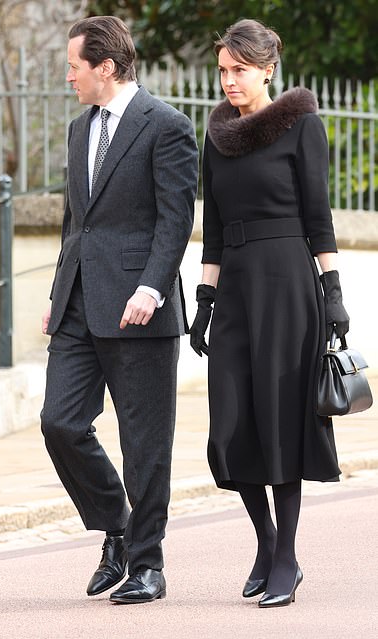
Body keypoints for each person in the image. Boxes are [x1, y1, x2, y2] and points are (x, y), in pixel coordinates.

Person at [190, 19, 350, 608]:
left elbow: (319, 215)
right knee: (232, 426)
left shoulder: (301, 122)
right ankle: (266, 540)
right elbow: (210, 226)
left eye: (239, 70)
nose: (229, 81)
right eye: (223, 71)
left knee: (281, 420)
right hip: (234, 288)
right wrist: (205, 299)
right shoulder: (217, 133)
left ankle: (286, 558)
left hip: (287, 285)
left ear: (266, 70)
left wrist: (332, 291)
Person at [40, 16, 198, 604]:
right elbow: (74, 222)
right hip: (79, 303)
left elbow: (175, 217)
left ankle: (148, 565)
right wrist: (59, 295)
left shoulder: (168, 126)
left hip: (140, 307)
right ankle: (118, 527)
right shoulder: (80, 129)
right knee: (59, 422)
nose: (68, 75)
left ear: (105, 67)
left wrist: (152, 288)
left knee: (145, 441)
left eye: (74, 65)